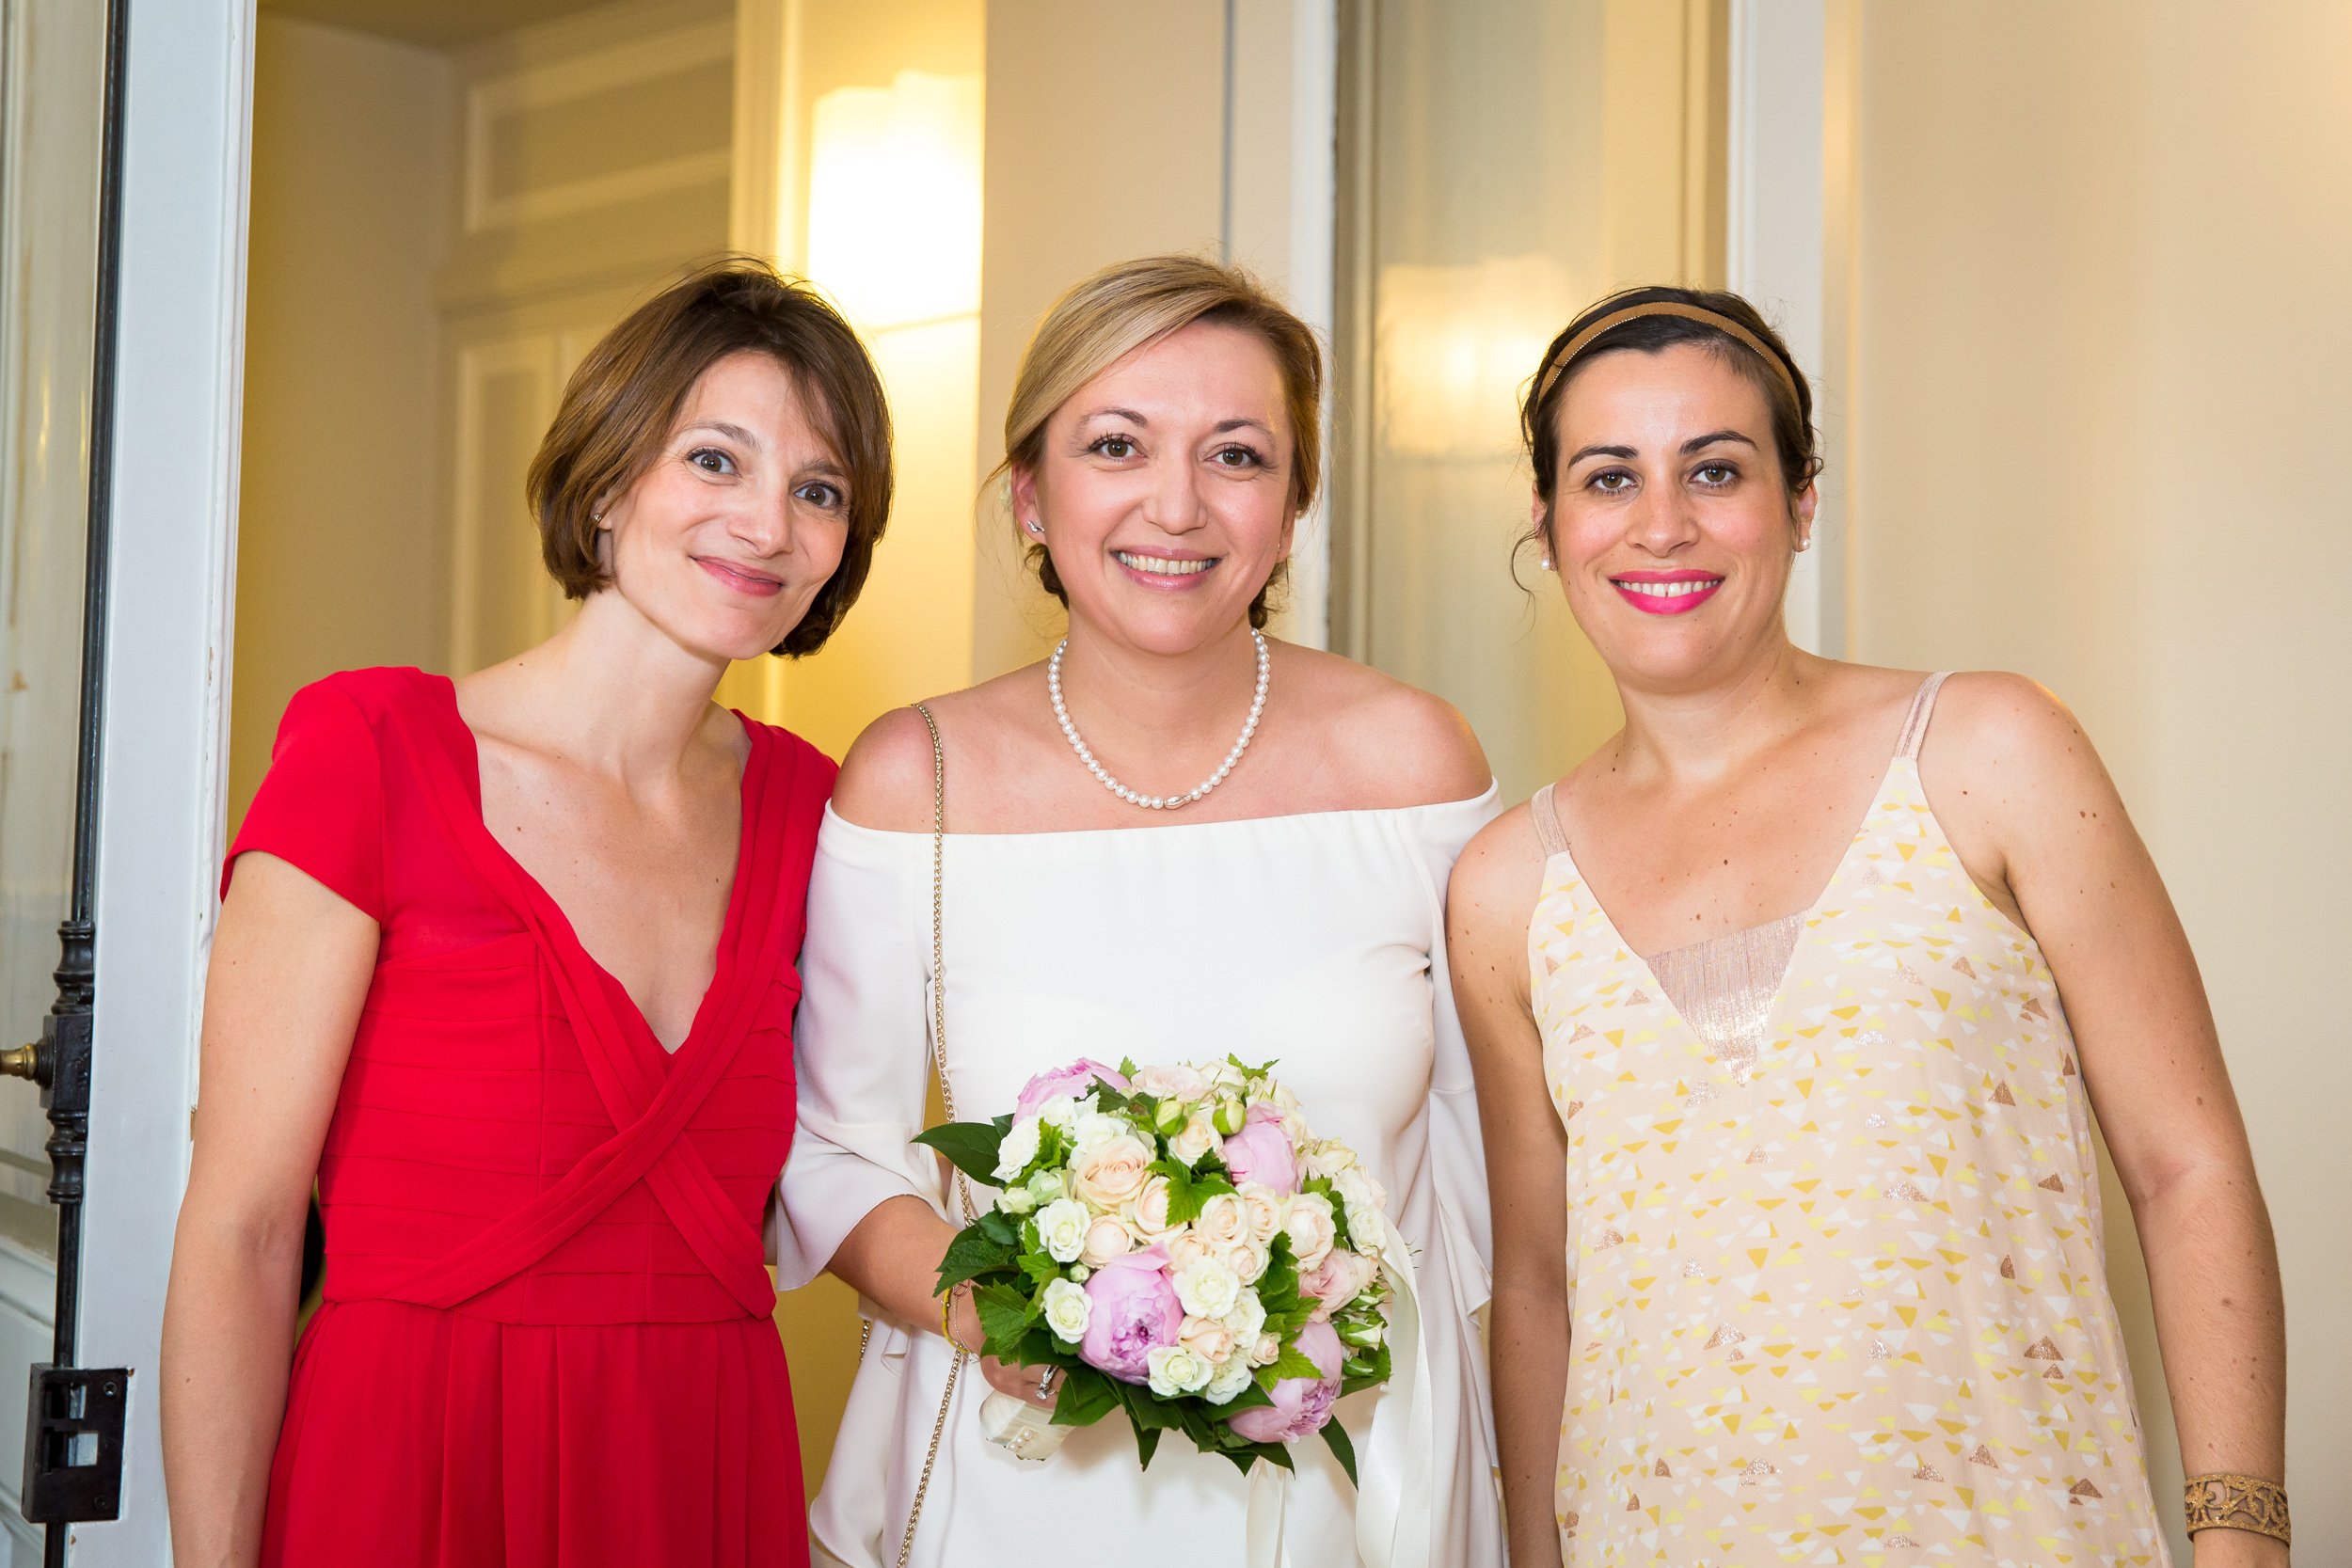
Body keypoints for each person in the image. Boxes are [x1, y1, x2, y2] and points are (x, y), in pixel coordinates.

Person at [1449, 286, 2291, 1566]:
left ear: (1800, 504)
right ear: (1549, 523)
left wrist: (2243, 1540)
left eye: (1716, 471)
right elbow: (1535, 1288)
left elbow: (2188, 1167)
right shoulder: (1509, 889)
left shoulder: (1986, 752)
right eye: (1609, 478)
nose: (1661, 525)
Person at [159, 257, 892, 1568]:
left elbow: (861, 1159)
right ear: (608, 484)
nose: (768, 523)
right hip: (410, 1465)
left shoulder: (823, 817)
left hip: (696, 1470)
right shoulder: (372, 749)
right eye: (716, 461)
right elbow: (243, 1228)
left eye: (818, 489)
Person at [776, 254, 1506, 1567]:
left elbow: (1482, 1176)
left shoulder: (1415, 764)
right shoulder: (914, 781)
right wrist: (992, 1320)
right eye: (1117, 445)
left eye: (1237, 455)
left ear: (1291, 513)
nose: (1177, 504)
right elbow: (837, 1150)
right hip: (1018, 1497)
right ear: (1031, 500)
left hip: (1352, 1497)